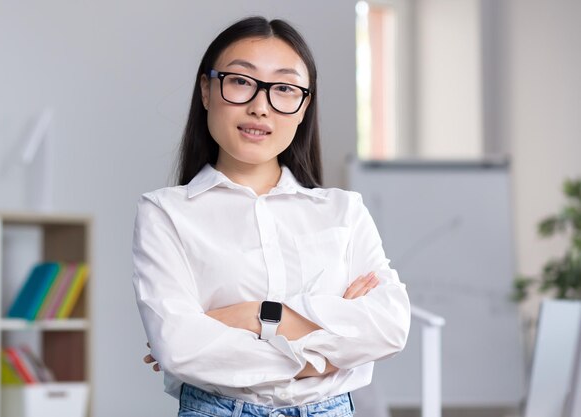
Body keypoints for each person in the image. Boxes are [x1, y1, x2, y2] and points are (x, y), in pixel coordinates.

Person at [132, 15, 410, 417]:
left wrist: (255, 315)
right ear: (207, 90)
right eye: (241, 81)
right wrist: (323, 355)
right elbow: (181, 348)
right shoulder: (166, 213)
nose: (260, 107)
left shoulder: (343, 211)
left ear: (303, 107)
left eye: (283, 88)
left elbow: (387, 327)